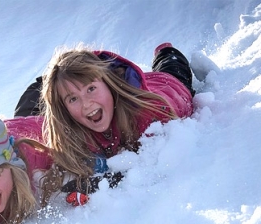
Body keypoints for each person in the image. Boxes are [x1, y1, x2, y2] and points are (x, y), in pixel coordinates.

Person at [15, 43, 195, 205]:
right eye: (73, 99)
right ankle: (52, 83)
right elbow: (25, 130)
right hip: (65, 95)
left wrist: (107, 181)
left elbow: (152, 166)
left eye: (91, 89)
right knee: (30, 107)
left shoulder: (149, 114)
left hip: (167, 84)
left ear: (108, 84)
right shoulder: (70, 125)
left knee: (172, 67)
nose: (86, 103)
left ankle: (165, 50)